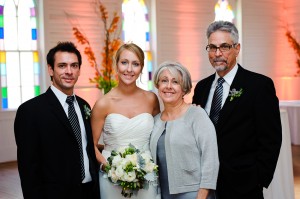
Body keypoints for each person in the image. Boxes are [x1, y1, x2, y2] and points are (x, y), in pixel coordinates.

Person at [192, 21, 282, 199]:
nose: (218, 54)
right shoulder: (201, 87)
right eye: (212, 47)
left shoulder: (259, 85)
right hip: (204, 184)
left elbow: (271, 139)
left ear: (237, 48)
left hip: (244, 185)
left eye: (224, 47)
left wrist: (258, 178)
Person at [14, 42, 100, 199]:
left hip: (89, 191)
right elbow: (28, 168)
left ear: (79, 70)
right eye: (62, 66)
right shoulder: (30, 111)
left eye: (74, 65)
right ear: (50, 69)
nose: (69, 71)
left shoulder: (84, 106)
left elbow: (88, 149)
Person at [91, 43, 161, 199]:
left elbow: (160, 134)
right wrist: (110, 167)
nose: (129, 69)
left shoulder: (151, 99)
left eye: (135, 64)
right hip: (111, 177)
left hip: (147, 175)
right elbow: (92, 145)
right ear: (116, 65)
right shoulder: (103, 103)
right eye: (124, 62)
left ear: (141, 68)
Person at [150, 61, 219, 199]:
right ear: (158, 85)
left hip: (194, 194)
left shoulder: (196, 115)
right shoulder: (155, 121)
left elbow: (210, 159)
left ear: (184, 89)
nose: (168, 86)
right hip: (162, 194)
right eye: (164, 81)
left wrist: (202, 196)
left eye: (175, 82)